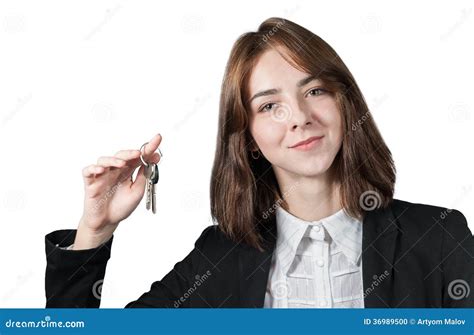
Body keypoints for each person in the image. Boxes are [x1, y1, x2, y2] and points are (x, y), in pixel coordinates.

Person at [45, 17, 473, 308]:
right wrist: (95, 231)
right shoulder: (222, 256)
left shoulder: (436, 237)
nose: (299, 118)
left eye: (316, 91)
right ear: (248, 138)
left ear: (345, 103)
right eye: (270, 106)